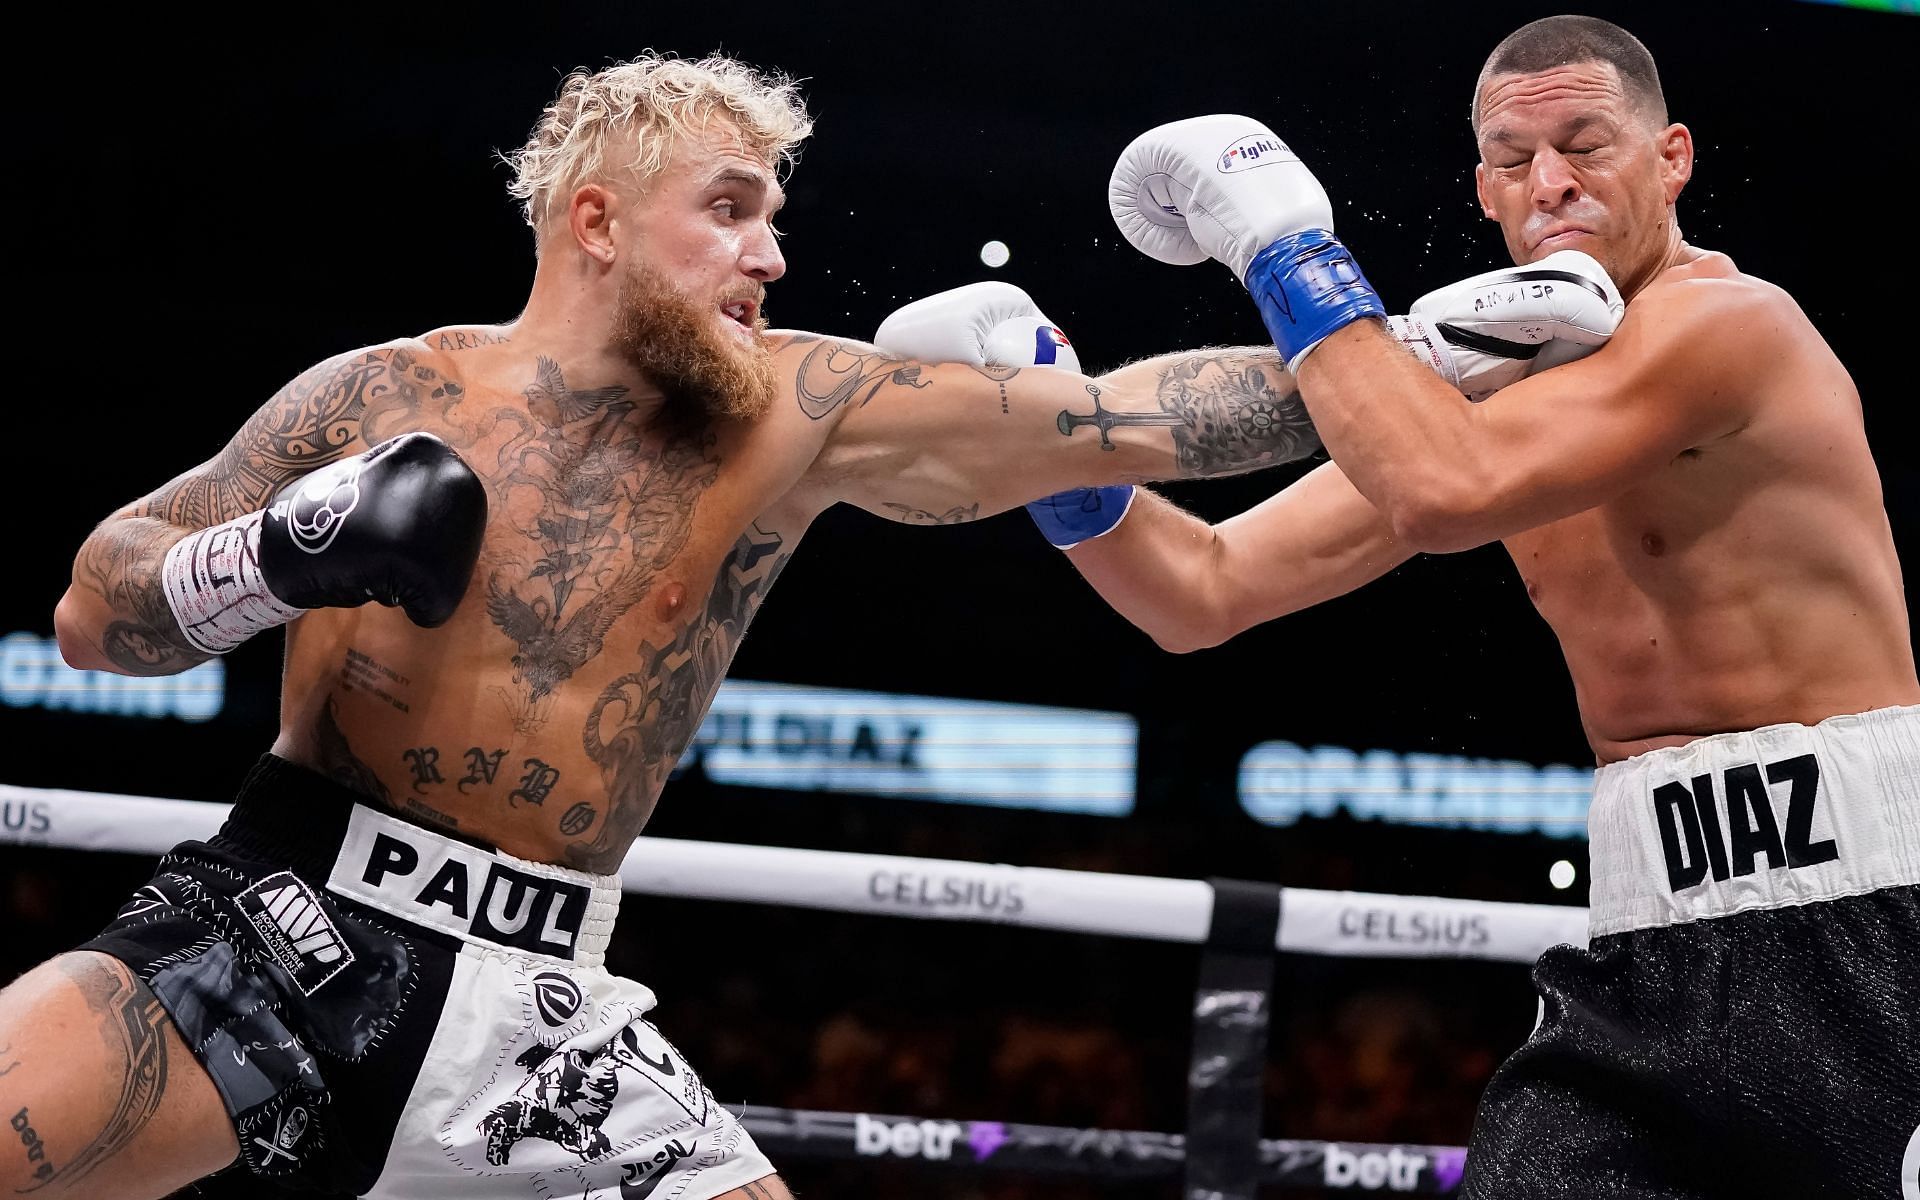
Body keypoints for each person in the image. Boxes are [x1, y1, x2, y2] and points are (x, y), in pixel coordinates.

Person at [0, 53, 1352, 1200]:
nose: (774, 252)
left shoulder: (801, 406)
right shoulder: (387, 390)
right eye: (731, 211)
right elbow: (90, 609)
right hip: (276, 925)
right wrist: (278, 559)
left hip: (549, 1022)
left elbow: (1137, 421)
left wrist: (1396, 344)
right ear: (598, 222)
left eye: (775, 216)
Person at [1032, 13, 1918, 1199]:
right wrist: (1050, 456)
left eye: (1586, 143)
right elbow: (1201, 591)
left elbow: (1445, 494)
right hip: (1646, 948)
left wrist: (1286, 250)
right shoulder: (1488, 397)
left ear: (1674, 159)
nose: (1550, 181)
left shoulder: (1733, 331)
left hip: (1871, 923)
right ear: (1485, 192)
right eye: (1513, 158)